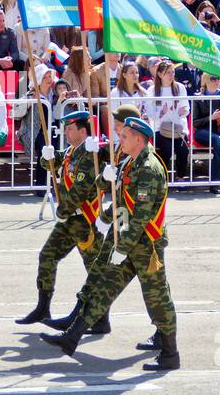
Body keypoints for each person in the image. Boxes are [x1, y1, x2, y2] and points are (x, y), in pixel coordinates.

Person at [43, 115, 178, 370]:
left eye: (125, 136)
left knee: (157, 298)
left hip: (146, 245)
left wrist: (121, 248)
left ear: (139, 139)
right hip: (128, 241)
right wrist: (106, 181)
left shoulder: (148, 168)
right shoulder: (131, 160)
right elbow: (117, 197)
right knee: (105, 286)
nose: (120, 140)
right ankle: (72, 337)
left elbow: (140, 217)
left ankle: (171, 354)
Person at [22, 109, 105, 325]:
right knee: (47, 256)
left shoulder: (90, 154)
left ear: (82, 131)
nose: (66, 132)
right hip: (70, 219)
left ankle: (100, 319)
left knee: (94, 269)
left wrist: (62, 210)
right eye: (65, 128)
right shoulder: (72, 151)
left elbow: (81, 190)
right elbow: (51, 164)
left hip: (84, 221)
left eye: (70, 129)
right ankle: (43, 308)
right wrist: (46, 156)